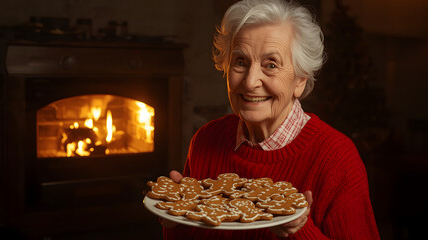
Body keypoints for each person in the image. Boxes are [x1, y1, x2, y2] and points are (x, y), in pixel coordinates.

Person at [162, 0, 380, 239]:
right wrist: (176, 221)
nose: (249, 81)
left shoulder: (337, 159)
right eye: (240, 62)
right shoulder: (205, 140)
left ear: (300, 80)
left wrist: (298, 230)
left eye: (271, 64)